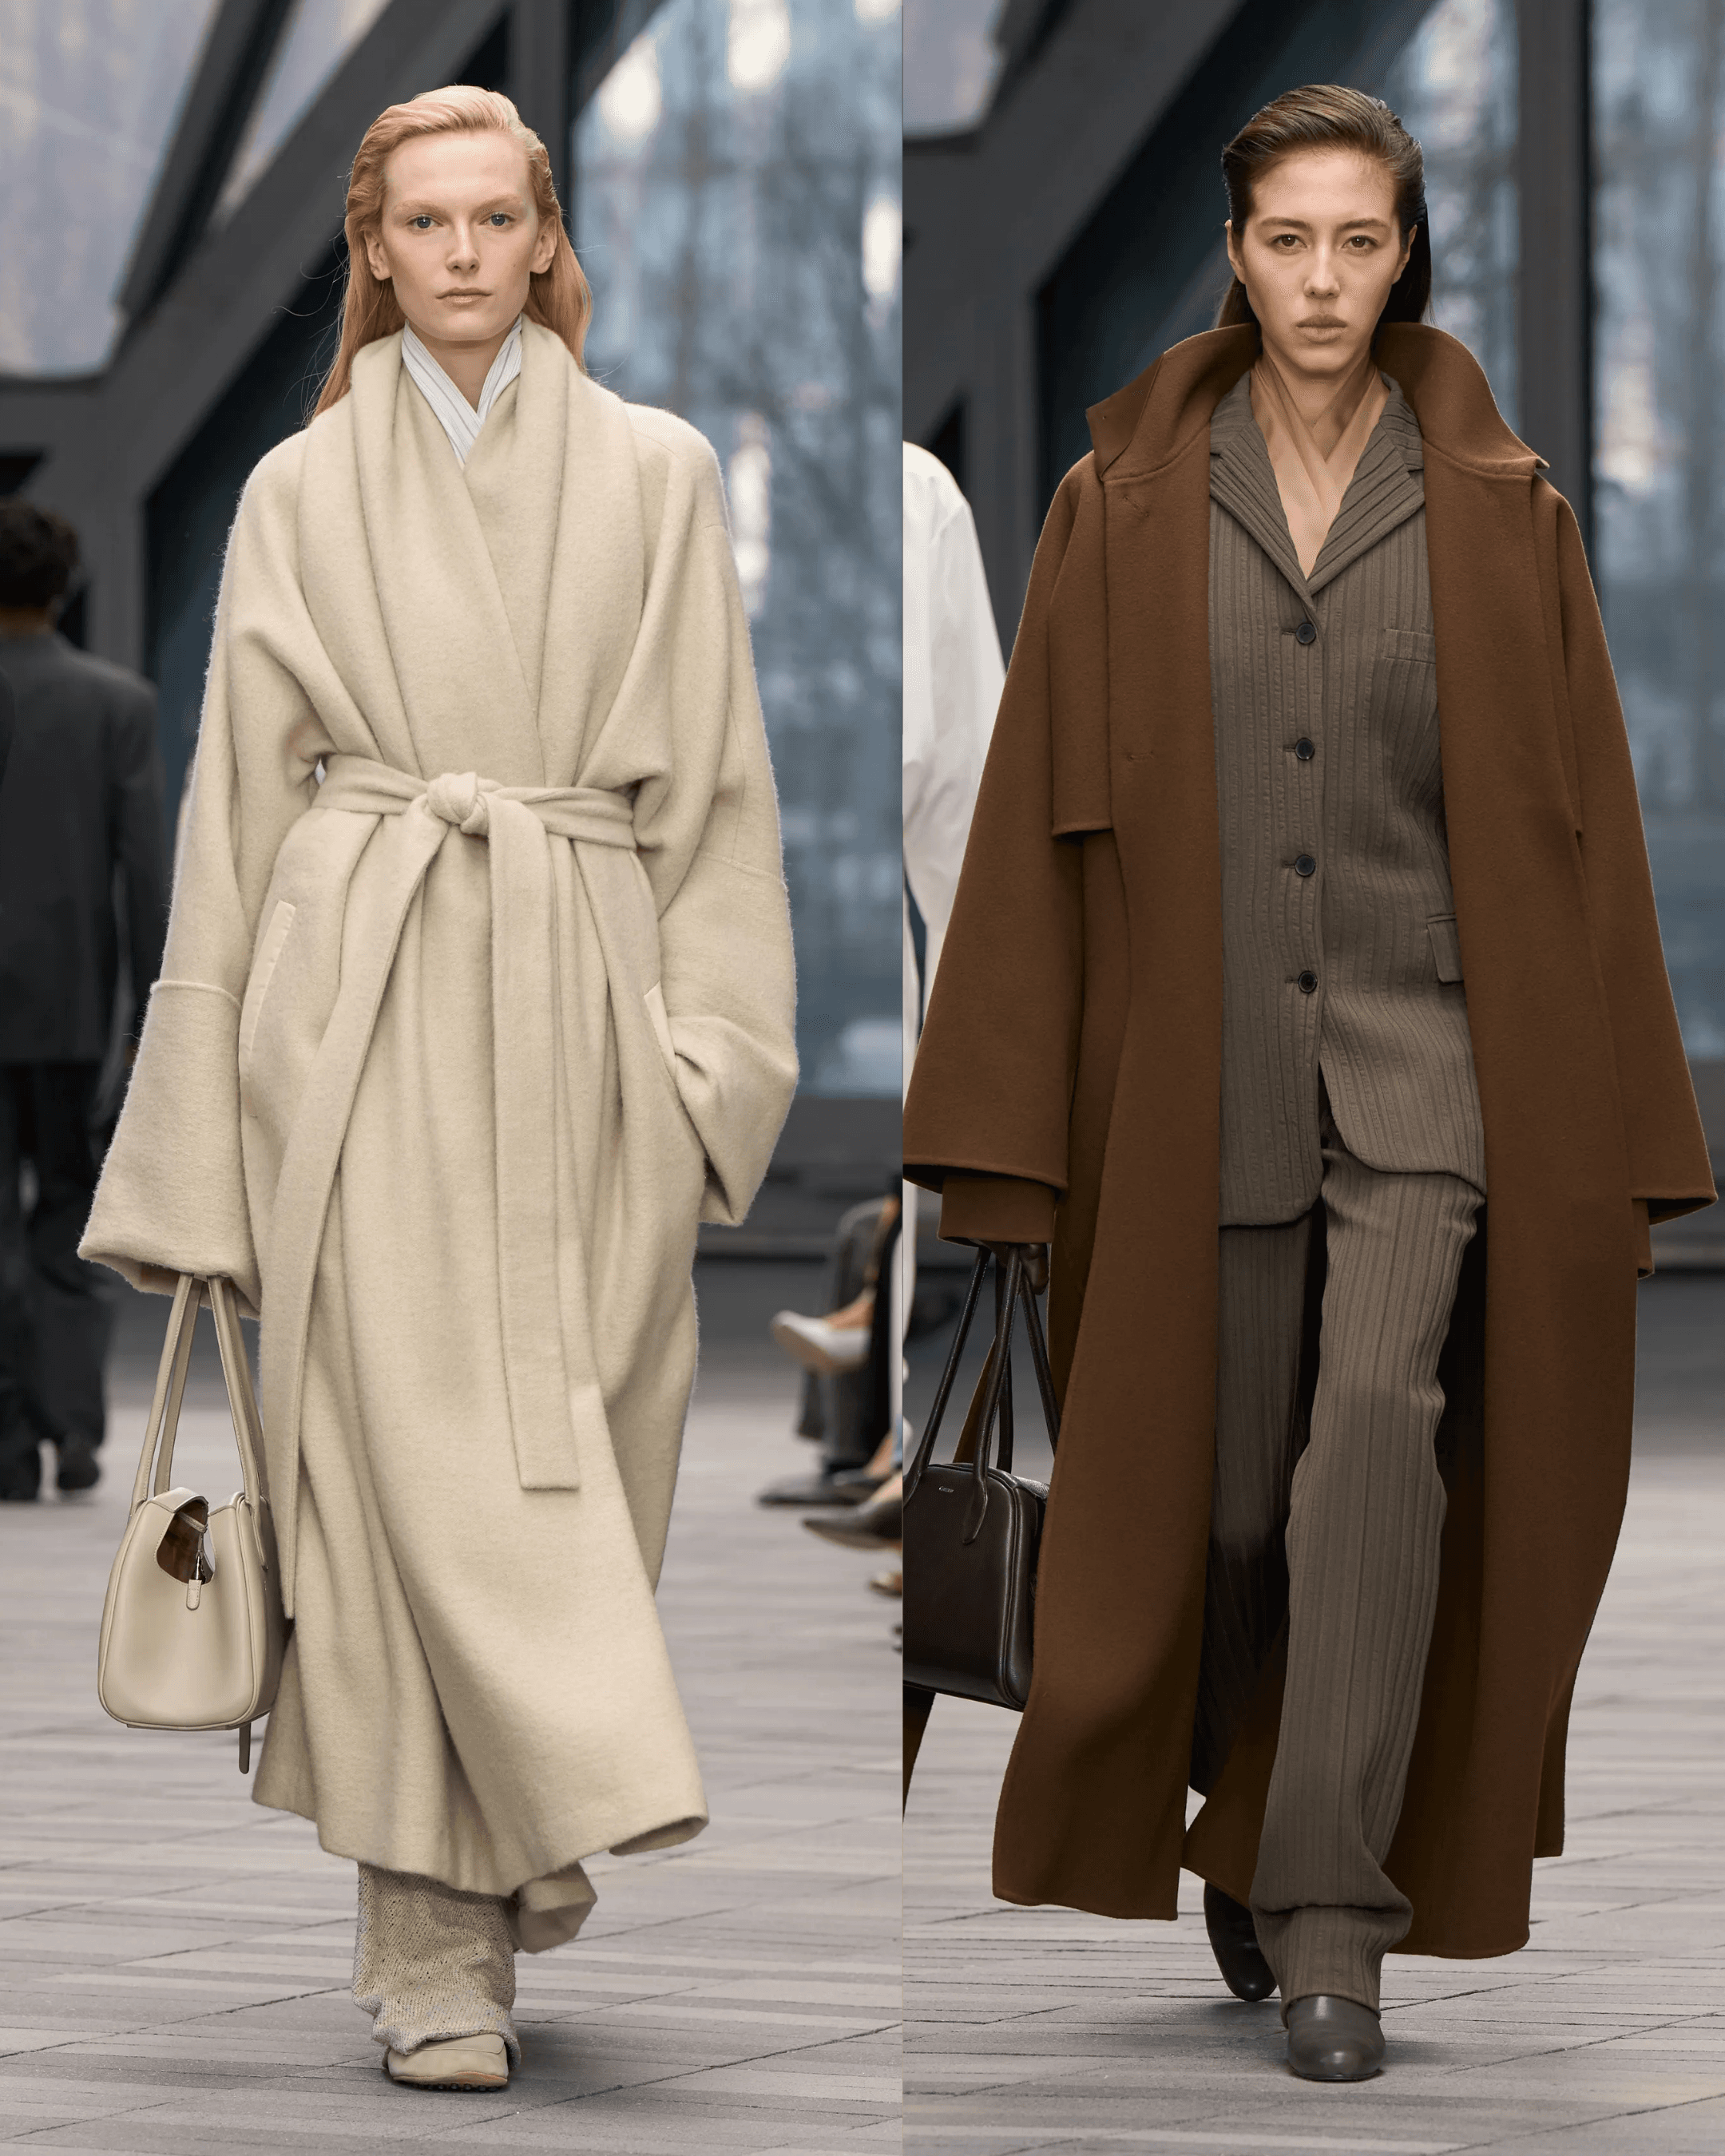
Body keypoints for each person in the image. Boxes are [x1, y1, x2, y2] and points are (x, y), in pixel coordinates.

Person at [903, 84, 1715, 2085]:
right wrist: (997, 1140)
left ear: (1404, 251)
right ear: (1237, 252)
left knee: (1375, 1438)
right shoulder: (1118, 504)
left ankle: (1336, 1910)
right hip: (1181, 1082)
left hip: (1429, 1068)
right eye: (1288, 243)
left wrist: (1617, 1128)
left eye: (1359, 242)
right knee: (1225, 1505)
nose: (1323, 282)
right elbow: (1026, 830)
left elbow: (1577, 832)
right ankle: (1257, 1808)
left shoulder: (1501, 510)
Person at [80, 87, 797, 2092]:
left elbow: (717, 791)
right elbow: (234, 812)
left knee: (576, 1459)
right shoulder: (298, 492)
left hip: (581, 1012)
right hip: (363, 1006)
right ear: (370, 249)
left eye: (498, 218)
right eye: (427, 223)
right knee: (388, 1492)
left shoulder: (654, 472)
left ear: (542, 233)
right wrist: (209, 1124)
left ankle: (508, 1830)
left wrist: (701, 1069)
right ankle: (431, 1946)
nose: (465, 254)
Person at [0, 502, 165, 1502]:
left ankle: (6, 1443)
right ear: (61, 588)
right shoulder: (118, 705)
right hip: (69, 1010)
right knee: (68, 1211)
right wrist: (154, 1023)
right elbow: (144, 876)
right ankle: (75, 1430)